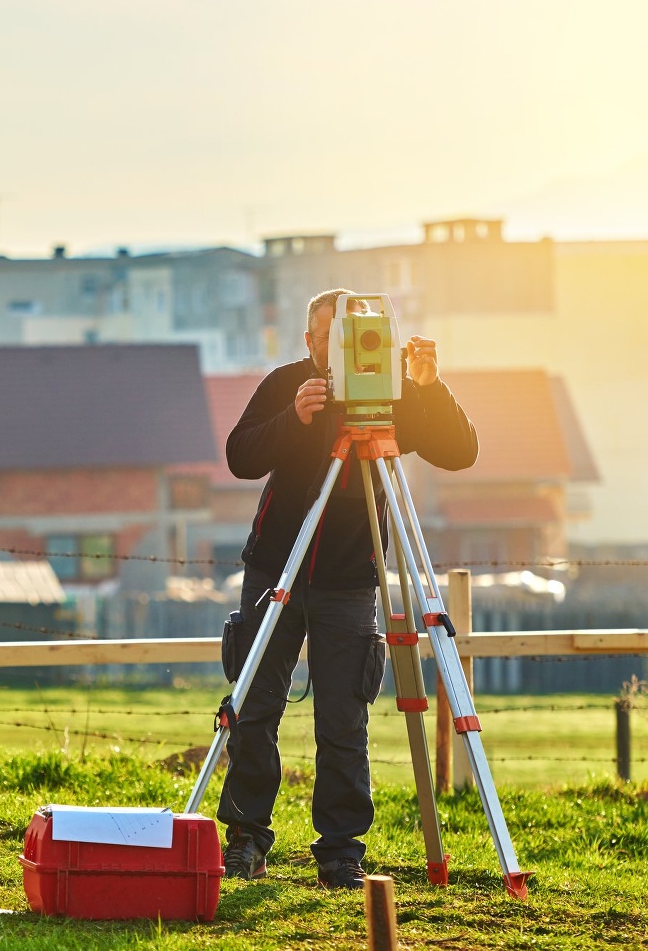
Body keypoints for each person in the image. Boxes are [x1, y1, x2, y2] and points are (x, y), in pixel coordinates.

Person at [218, 287, 478, 890]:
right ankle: (245, 840)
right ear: (310, 342)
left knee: (343, 720)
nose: (340, 349)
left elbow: (460, 452)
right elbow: (239, 457)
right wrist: (295, 418)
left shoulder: (388, 391)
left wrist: (429, 386)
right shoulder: (288, 384)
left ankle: (340, 852)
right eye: (328, 337)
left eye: (353, 335)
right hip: (274, 570)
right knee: (254, 710)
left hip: (349, 579)